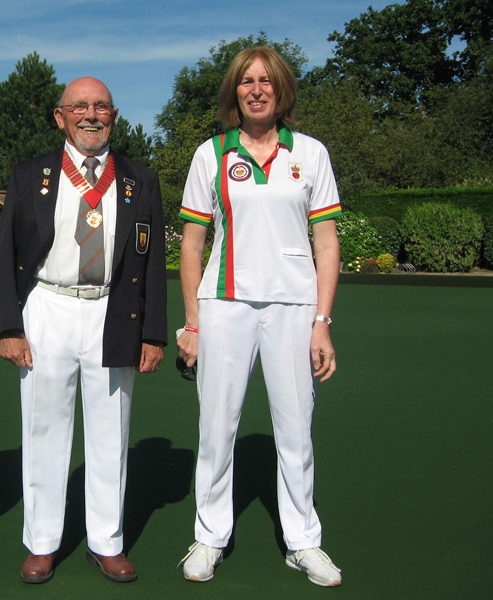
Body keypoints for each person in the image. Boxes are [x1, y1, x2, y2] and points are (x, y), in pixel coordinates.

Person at [176, 47, 343, 587]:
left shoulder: (311, 153)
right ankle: (209, 536)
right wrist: (192, 323)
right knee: (216, 427)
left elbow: (326, 242)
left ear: (282, 90)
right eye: (246, 81)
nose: (256, 89)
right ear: (234, 91)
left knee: (295, 429)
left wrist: (323, 322)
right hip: (224, 304)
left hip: (295, 309)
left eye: (266, 81)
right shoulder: (211, 154)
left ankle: (303, 541)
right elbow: (192, 245)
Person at [0, 77, 166, 584]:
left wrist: (153, 333)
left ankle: (106, 541)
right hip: (48, 307)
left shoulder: (139, 178)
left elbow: (154, 261)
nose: (91, 115)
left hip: (114, 312)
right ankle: (42, 542)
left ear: (114, 114)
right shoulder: (31, 175)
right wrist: (9, 325)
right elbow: (6, 257)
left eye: (101, 107)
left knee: (111, 432)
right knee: (45, 431)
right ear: (60, 116)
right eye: (80, 107)